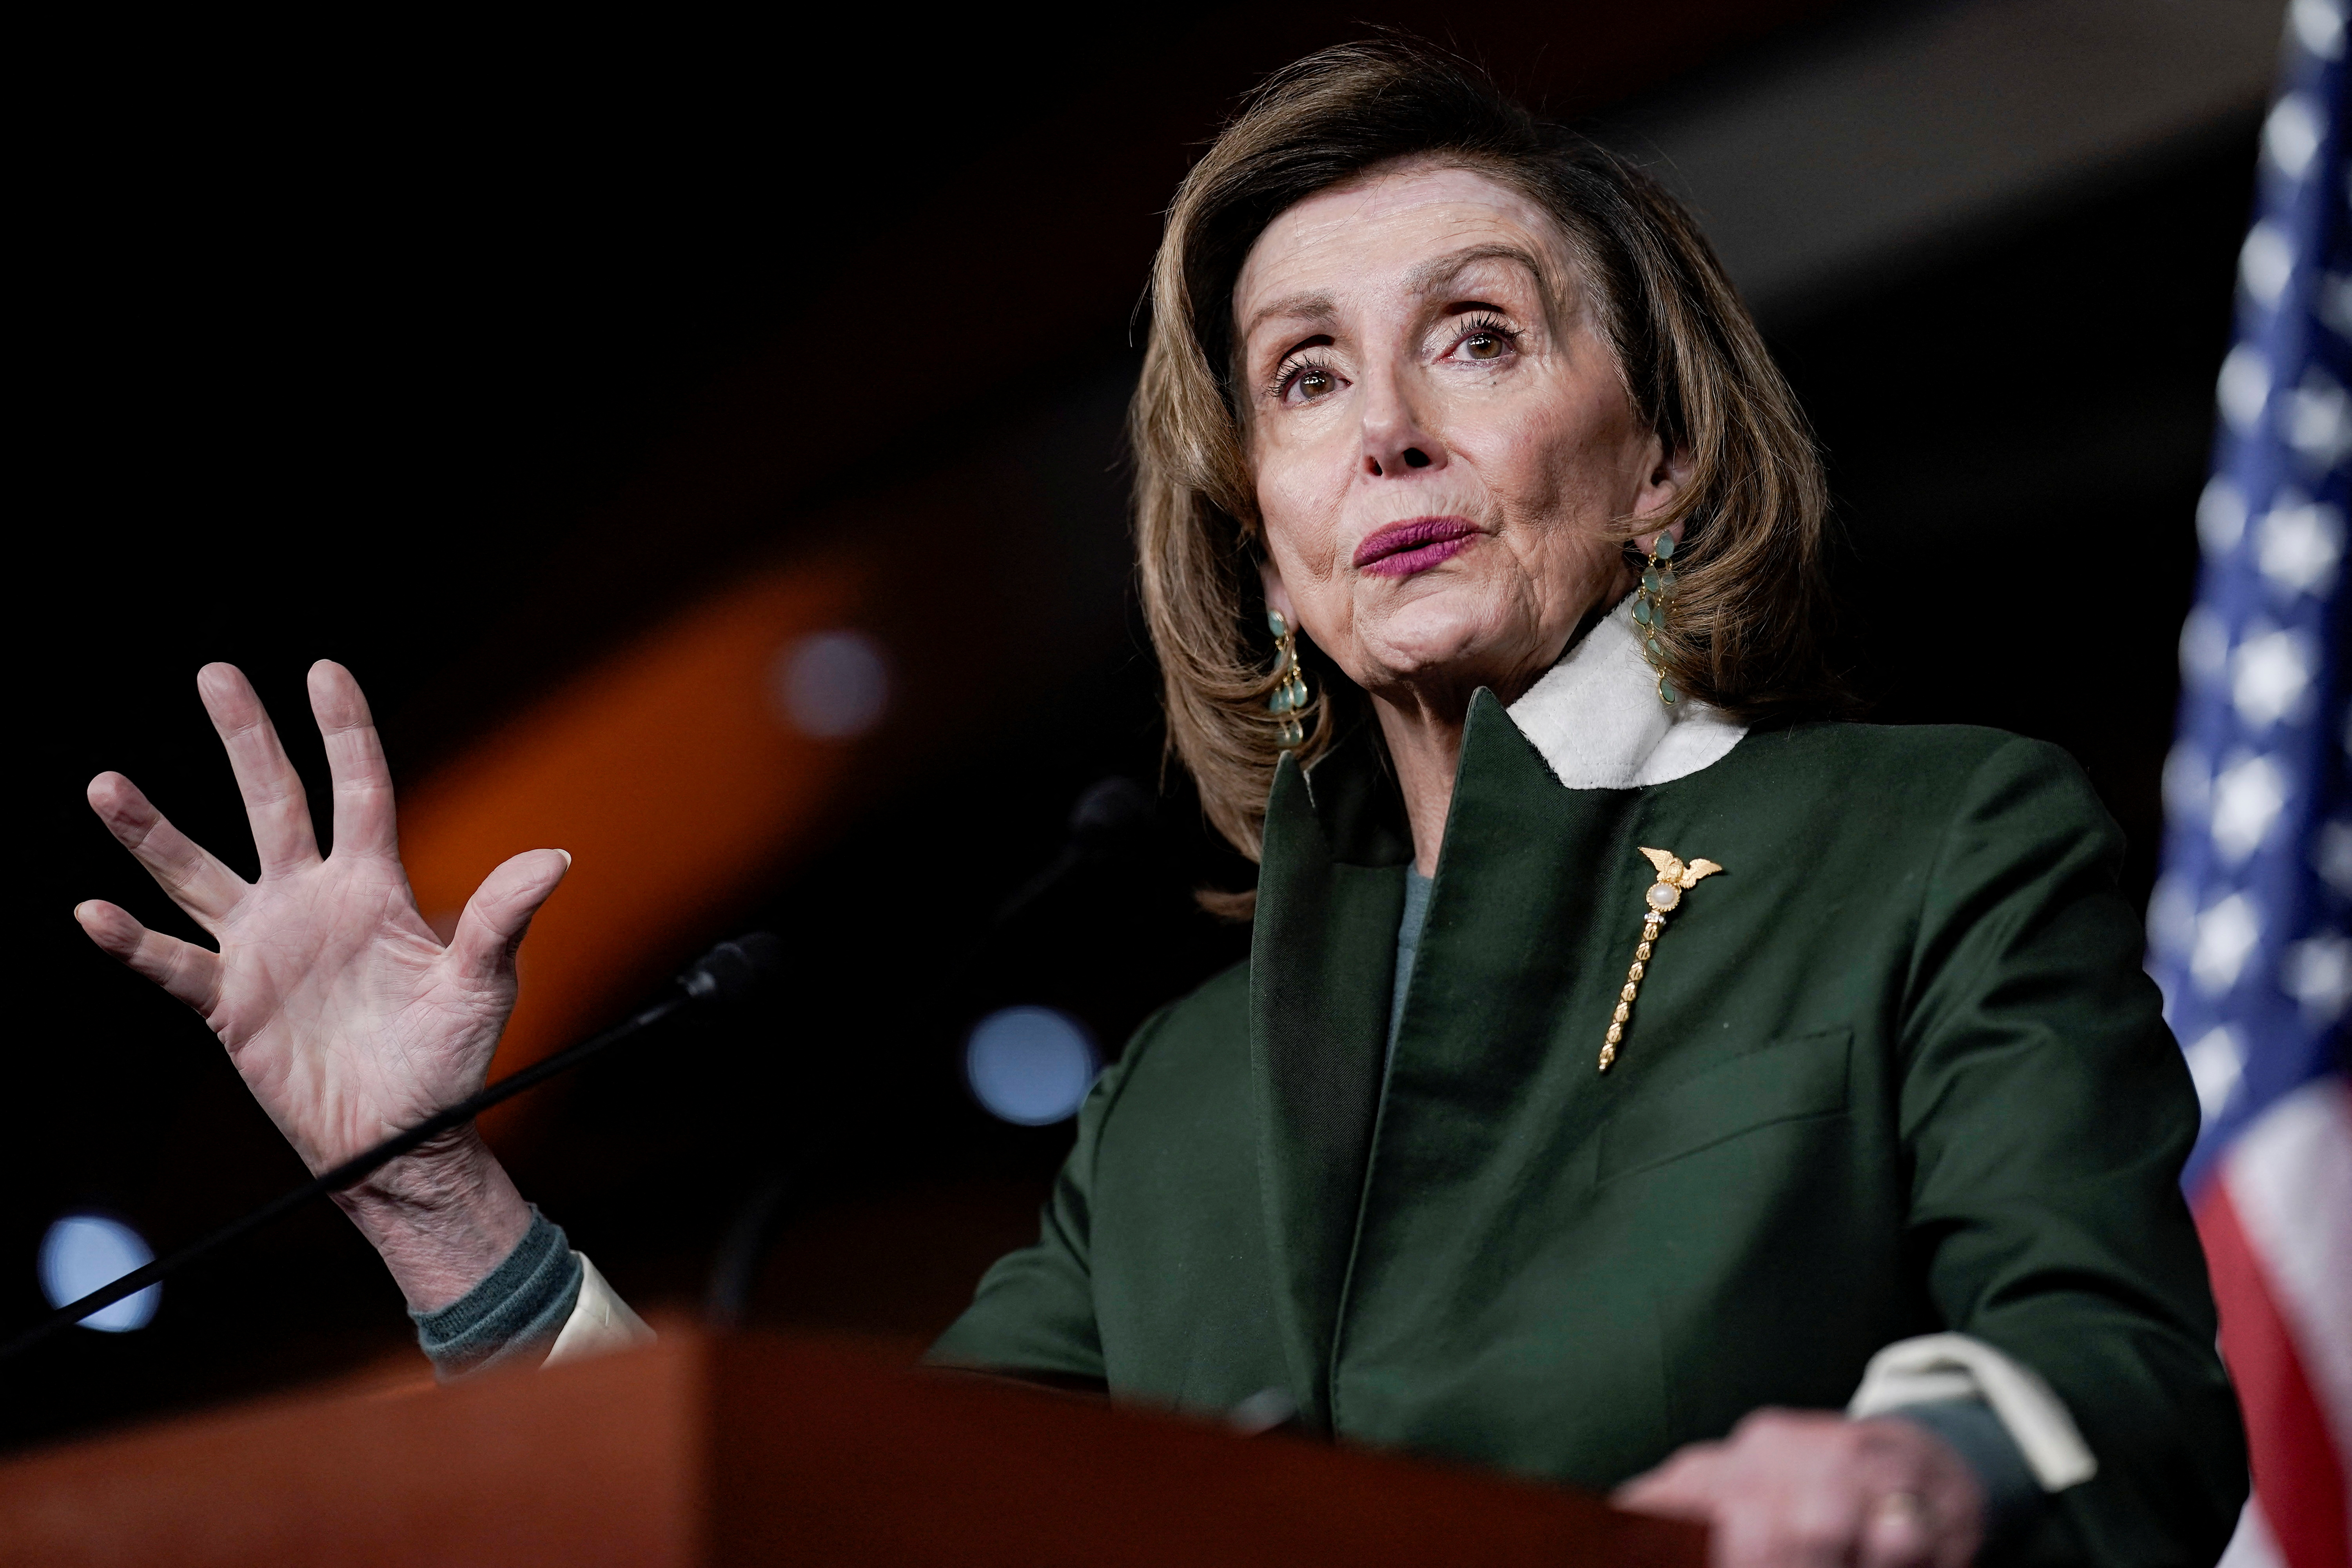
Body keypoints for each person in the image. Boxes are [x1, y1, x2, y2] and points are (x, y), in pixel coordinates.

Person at [76, 40, 2242, 1568]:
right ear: (1264, 522)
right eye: (1306, 377)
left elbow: (2116, 1372)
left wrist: (1917, 1472)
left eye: (1475, 338)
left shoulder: (1929, 842)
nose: (1384, 428)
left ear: (1662, 457)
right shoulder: (1178, 1101)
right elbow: (872, 1531)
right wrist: (434, 1205)